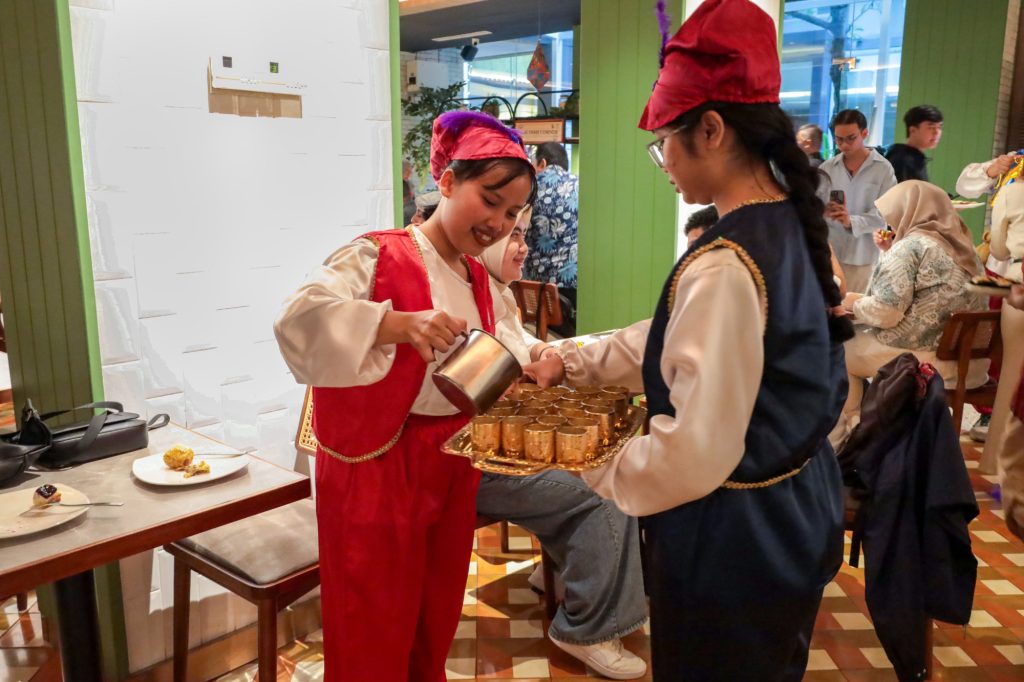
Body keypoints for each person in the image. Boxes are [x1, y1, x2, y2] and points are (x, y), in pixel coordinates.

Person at [524, 1, 852, 678]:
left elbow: (693, 455)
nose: (662, 160)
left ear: (710, 129)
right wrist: (574, 360)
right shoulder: (783, 225)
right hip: (792, 507)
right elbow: (674, 337)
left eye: (663, 141)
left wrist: (594, 463)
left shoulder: (727, 262)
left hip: (736, 535)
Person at [273, 111, 535, 681]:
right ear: (448, 182)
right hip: (377, 463)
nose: (498, 223)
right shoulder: (376, 255)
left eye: (513, 213)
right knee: (371, 617)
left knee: (433, 609)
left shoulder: (479, 278)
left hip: (453, 458)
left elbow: (506, 348)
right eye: (490, 200)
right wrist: (395, 324)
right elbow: (298, 320)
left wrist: (532, 367)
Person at [477, 210, 648, 680]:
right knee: (605, 490)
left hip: (502, 445)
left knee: (606, 460)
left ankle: (575, 573)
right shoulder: (464, 289)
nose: (521, 245)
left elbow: (518, 339)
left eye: (520, 232)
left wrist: (545, 352)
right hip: (478, 456)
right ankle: (588, 629)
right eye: (510, 234)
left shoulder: (494, 290)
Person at [833, 181, 988, 445]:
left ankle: (850, 437)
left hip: (926, 361)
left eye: (892, 214)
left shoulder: (910, 247)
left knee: (839, 351)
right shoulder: (966, 249)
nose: (890, 222)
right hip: (971, 364)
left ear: (908, 211)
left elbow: (886, 313)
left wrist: (850, 304)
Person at [955, 151, 1020, 441]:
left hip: (1011, 268)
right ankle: (990, 410)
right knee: (995, 342)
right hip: (1003, 271)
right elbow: (964, 185)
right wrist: (994, 170)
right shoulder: (1016, 163)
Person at [820, 109, 898, 293]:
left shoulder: (883, 169)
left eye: (850, 138)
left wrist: (851, 221)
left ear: (864, 133)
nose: (844, 145)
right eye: (839, 139)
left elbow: (886, 212)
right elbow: (813, 205)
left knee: (857, 307)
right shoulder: (827, 168)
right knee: (829, 306)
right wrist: (822, 210)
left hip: (864, 255)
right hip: (830, 253)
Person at [985, 183, 1024, 531]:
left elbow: (997, 246)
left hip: (1020, 280)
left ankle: (1000, 470)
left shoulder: (1014, 190)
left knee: (1014, 379)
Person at [523, 141, 579, 335]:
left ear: (542, 163)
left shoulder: (530, 187)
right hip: (579, 284)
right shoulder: (580, 185)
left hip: (541, 290)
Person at [884, 105, 944, 183]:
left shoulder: (914, 157)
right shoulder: (902, 160)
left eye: (939, 127)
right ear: (913, 130)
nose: (937, 132)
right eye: (931, 127)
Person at [402, 159, 417, 225]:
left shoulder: (409, 183)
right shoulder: (396, 185)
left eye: (410, 172)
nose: (410, 174)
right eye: (407, 171)